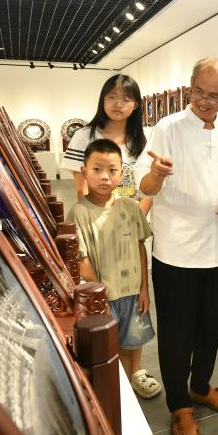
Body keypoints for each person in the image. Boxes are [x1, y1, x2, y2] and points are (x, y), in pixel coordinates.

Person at [135, 58, 218, 435]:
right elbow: (144, 185)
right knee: (176, 332)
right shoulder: (167, 128)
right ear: (190, 87)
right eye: (198, 91)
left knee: (209, 327)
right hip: (176, 253)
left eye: (213, 95)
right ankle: (179, 405)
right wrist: (157, 175)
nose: (203, 100)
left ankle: (200, 386)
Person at [70, 139, 160, 398]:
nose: (104, 177)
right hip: (105, 296)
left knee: (134, 340)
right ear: (84, 171)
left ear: (122, 173)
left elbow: (140, 246)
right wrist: (100, 295)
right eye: (97, 169)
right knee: (112, 346)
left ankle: (135, 377)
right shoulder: (79, 213)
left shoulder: (130, 207)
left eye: (112, 170)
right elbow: (82, 259)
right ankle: (118, 389)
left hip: (132, 291)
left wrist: (144, 289)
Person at [62, 74, 151, 214]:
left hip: (136, 218)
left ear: (135, 105)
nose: (118, 104)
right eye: (112, 97)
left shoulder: (146, 139)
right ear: (102, 100)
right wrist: (98, 221)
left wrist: (137, 220)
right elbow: (82, 189)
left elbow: (149, 190)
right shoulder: (84, 136)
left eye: (126, 99)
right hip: (97, 218)